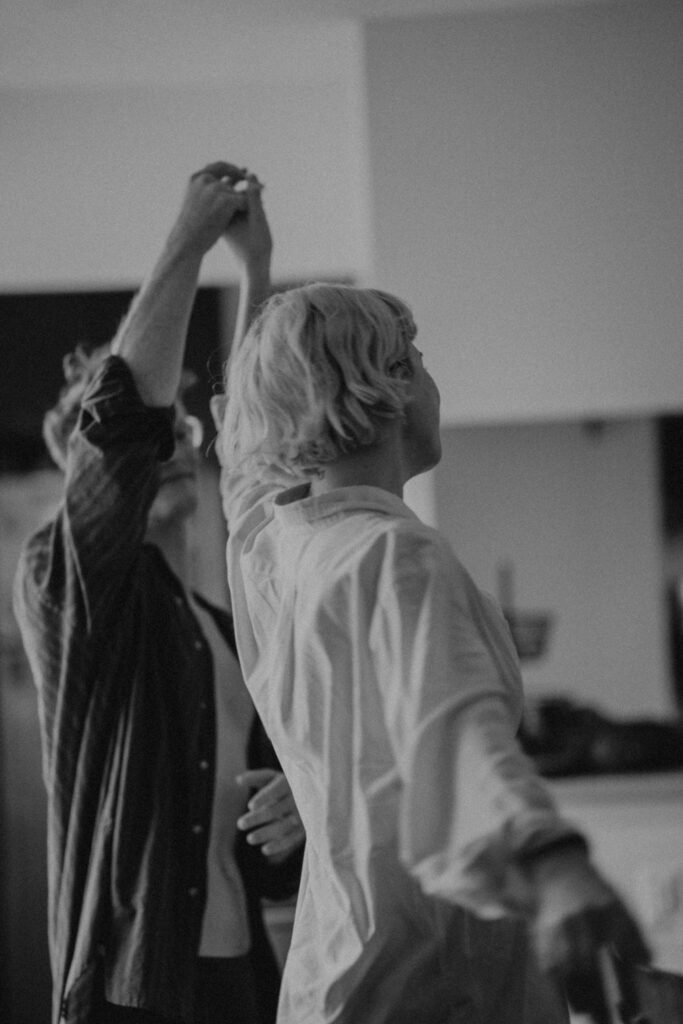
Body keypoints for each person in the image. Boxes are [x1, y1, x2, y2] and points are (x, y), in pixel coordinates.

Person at [213, 187, 651, 1023]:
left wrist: (255, 274)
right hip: (432, 983)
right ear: (394, 380)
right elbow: (454, 733)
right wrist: (557, 867)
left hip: (331, 976)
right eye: (423, 358)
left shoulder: (280, 552)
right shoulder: (394, 552)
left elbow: (245, 471)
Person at [13, 163, 304, 1024]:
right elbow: (122, 432)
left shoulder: (209, 616)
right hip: (132, 982)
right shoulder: (63, 576)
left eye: (183, 427)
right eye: (157, 433)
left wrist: (254, 270)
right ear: (85, 467)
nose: (178, 440)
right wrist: (187, 239)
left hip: (238, 963)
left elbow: (258, 450)